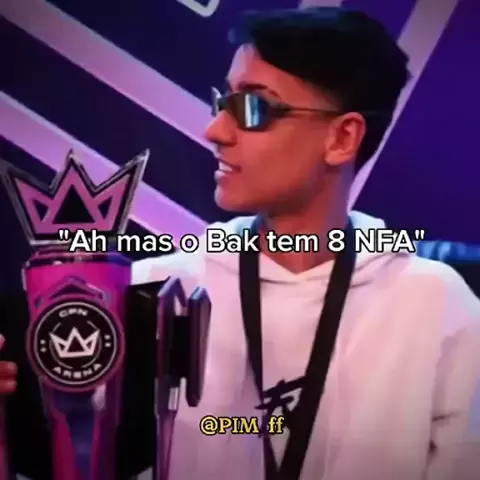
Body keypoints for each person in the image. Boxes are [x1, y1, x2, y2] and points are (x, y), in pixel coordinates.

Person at [2, 6, 480, 480]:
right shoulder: (151, 293)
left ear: (342, 137)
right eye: (222, 103)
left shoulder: (434, 306)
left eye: (253, 108)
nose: (214, 131)